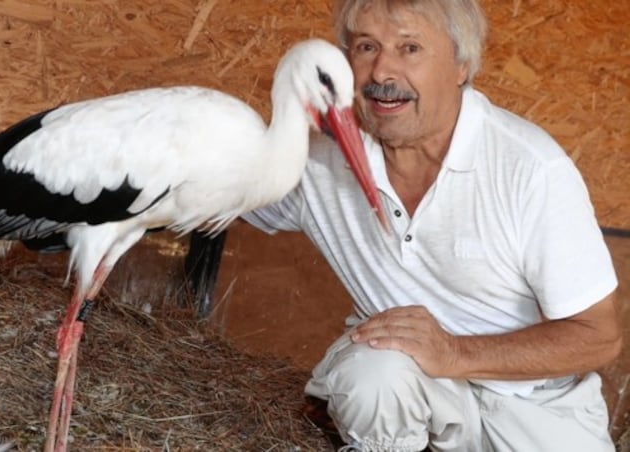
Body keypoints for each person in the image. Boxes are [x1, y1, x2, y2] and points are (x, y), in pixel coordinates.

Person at [242, 0, 622, 450]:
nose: (382, 71)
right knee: (374, 372)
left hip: (535, 402)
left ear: (461, 66)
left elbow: (599, 337)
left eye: (410, 48)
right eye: (367, 46)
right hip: (413, 387)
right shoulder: (318, 164)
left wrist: (454, 352)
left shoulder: (530, 169)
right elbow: (198, 192)